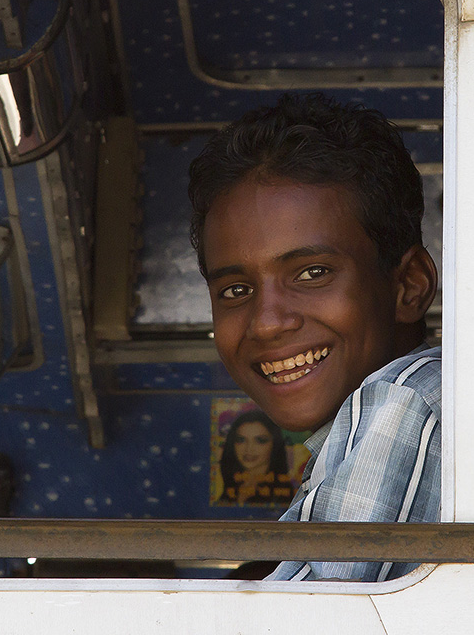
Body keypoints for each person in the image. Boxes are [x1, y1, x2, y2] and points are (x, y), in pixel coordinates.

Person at [188, 95, 440, 582]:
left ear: (409, 285)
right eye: (236, 290)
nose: (265, 323)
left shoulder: (405, 401)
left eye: (312, 273)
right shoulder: (356, 431)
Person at [217, 408, 294, 506]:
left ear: (275, 445)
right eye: (241, 440)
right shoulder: (228, 491)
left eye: (260, 441)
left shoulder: (286, 494)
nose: (249, 449)